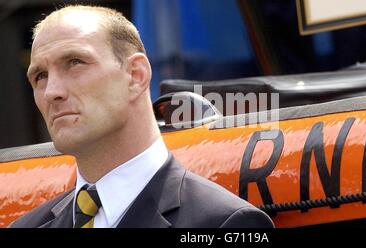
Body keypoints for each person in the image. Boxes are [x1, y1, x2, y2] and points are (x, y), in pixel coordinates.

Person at [10, 5, 274, 228]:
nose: (52, 91)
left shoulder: (224, 223)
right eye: (40, 76)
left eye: (75, 62)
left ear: (136, 75)